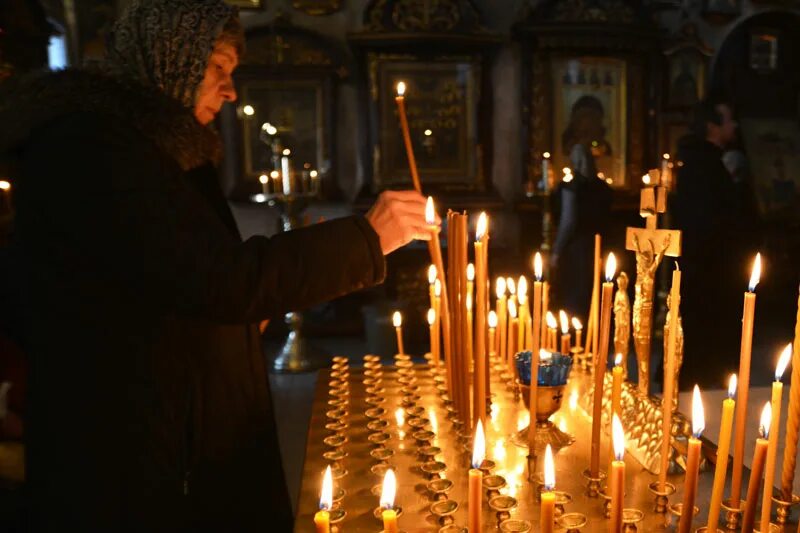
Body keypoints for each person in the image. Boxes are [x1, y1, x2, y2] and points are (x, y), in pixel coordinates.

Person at [0, 0, 436, 530]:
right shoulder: (91, 149)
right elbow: (219, 281)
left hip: (173, 433)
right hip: (130, 458)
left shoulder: (156, 148)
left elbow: (184, 283)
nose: (229, 91)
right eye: (218, 69)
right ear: (172, 57)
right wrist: (368, 237)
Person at [673, 97, 741, 389]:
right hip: (710, 268)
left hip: (698, 264)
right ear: (712, 126)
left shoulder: (694, 161)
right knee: (705, 340)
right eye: (728, 120)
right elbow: (717, 219)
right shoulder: (708, 165)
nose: (734, 125)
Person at [550, 143, 612, 318]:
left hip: (577, 249)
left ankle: (576, 335)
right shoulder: (604, 188)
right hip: (600, 246)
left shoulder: (571, 188)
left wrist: (556, 251)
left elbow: (568, 221)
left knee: (576, 293)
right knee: (595, 291)